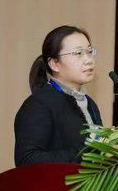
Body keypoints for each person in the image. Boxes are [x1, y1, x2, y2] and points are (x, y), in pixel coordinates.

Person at [14, 25, 102, 166]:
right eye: (78, 53)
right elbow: (27, 159)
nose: (89, 60)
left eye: (90, 51)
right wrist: (85, 154)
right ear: (54, 64)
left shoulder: (89, 103)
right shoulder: (38, 104)